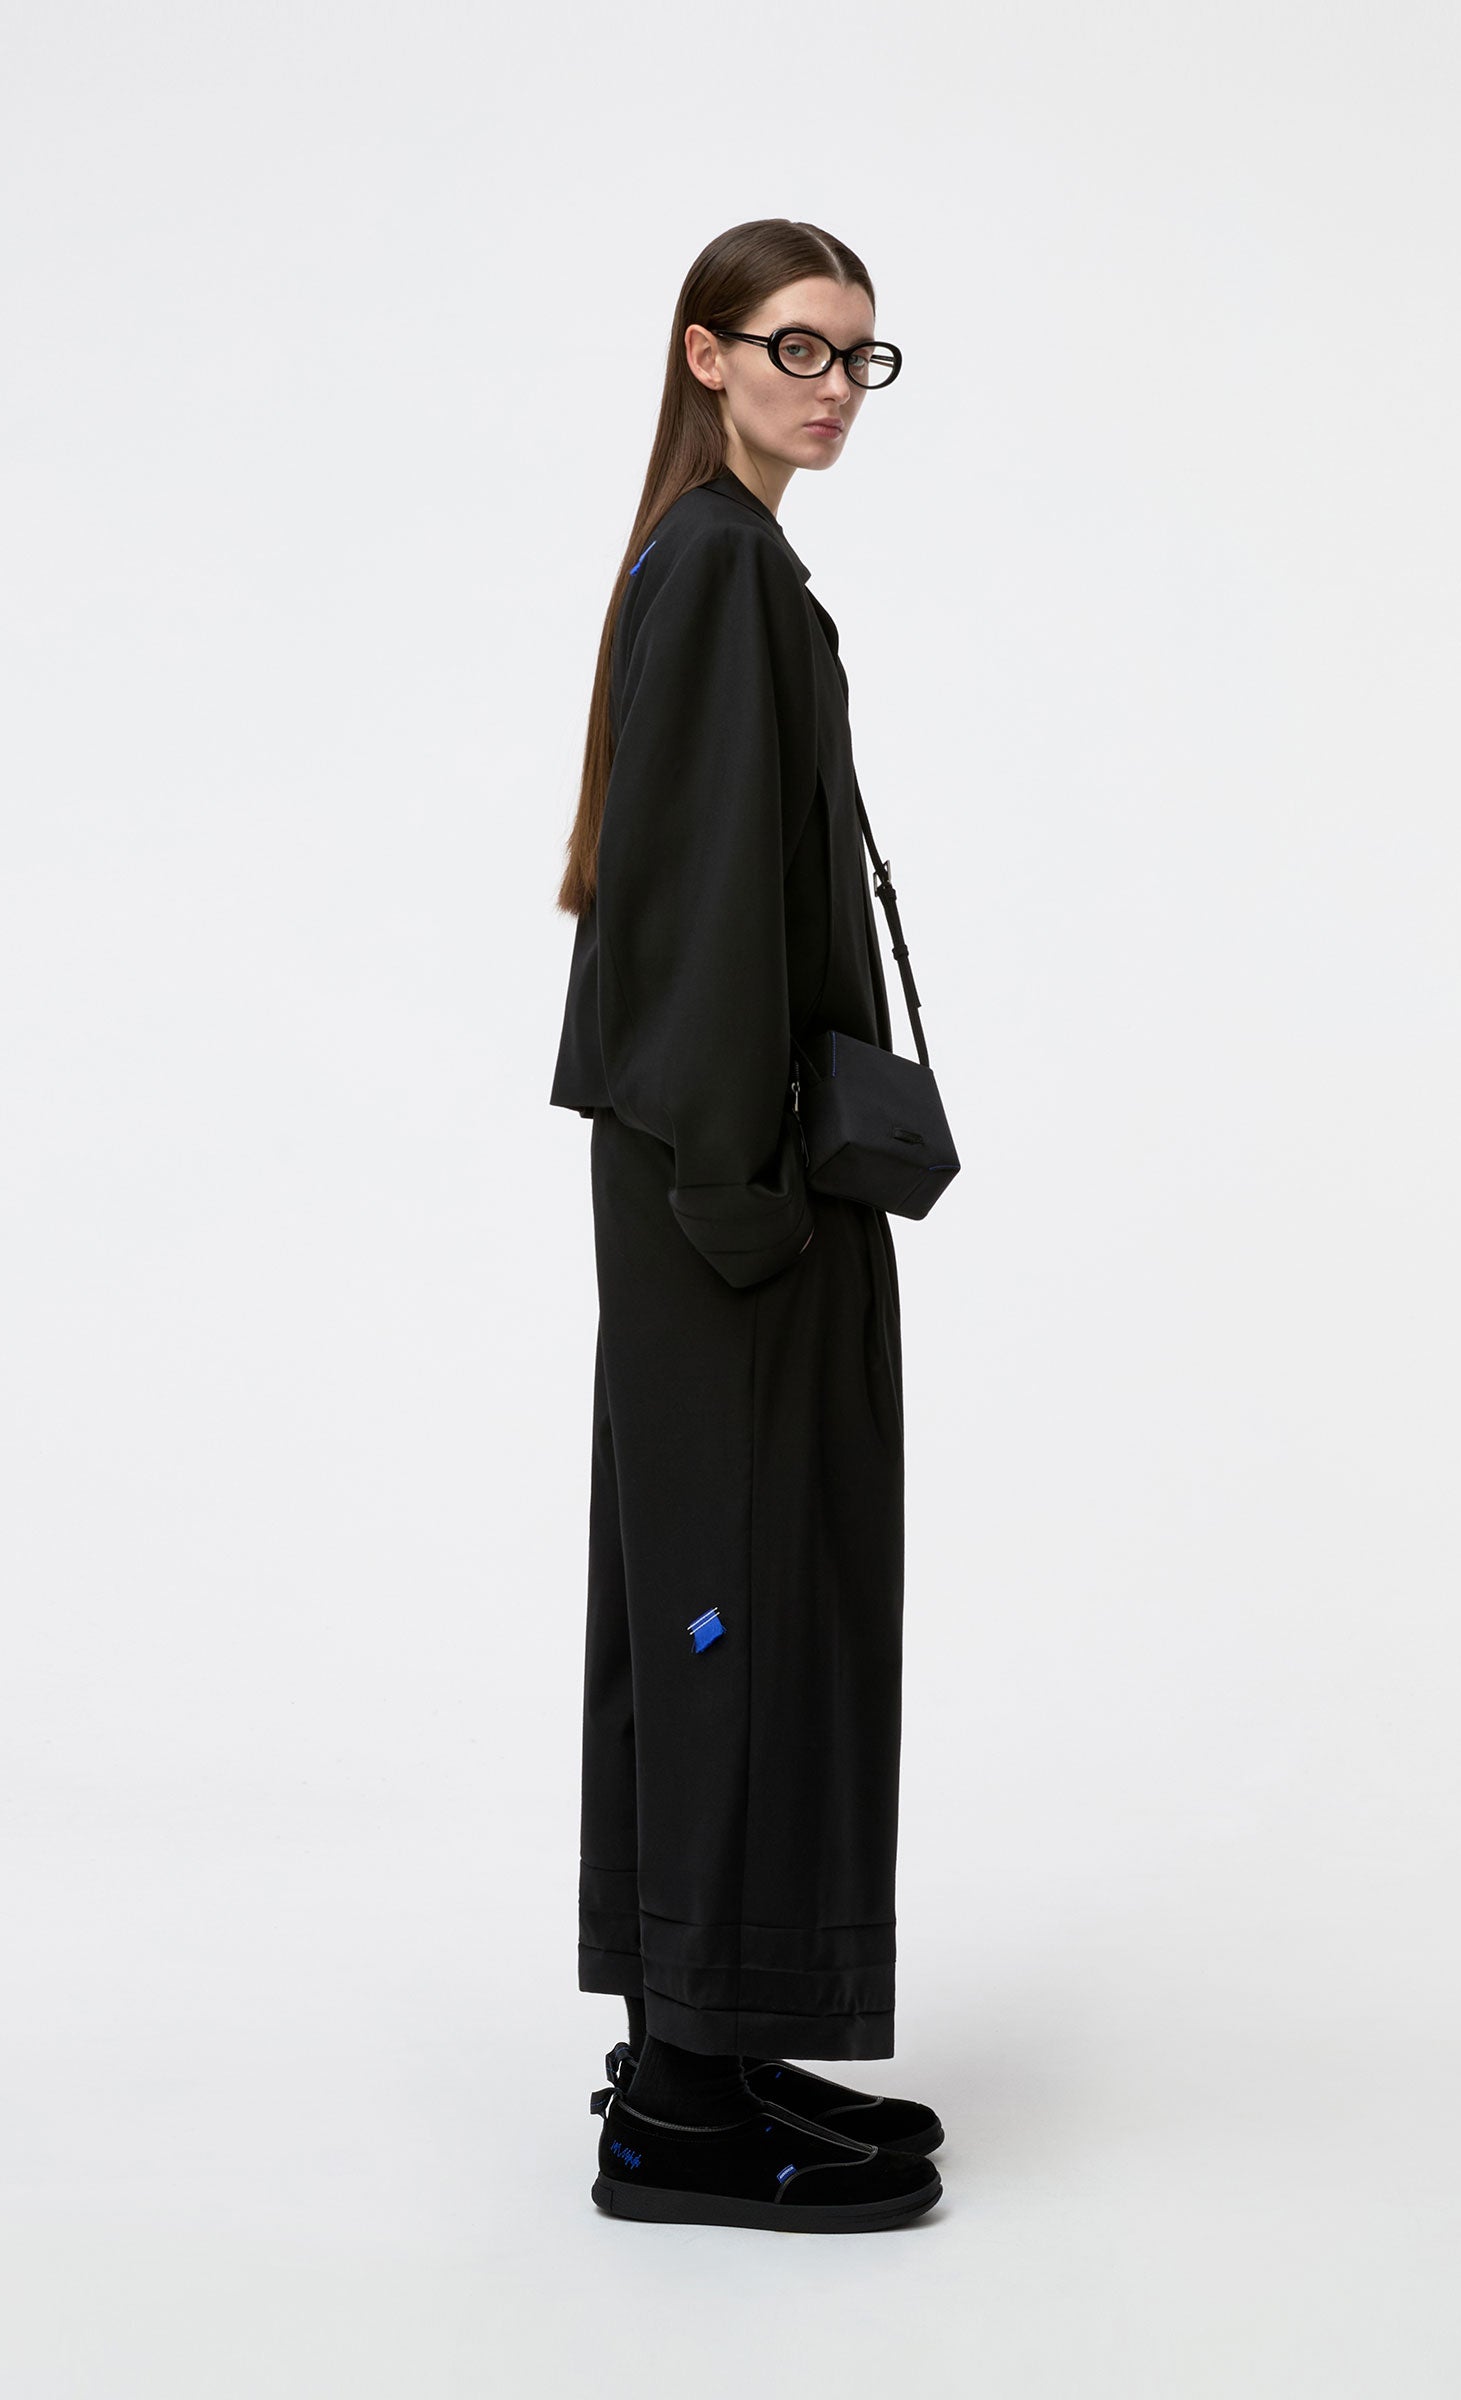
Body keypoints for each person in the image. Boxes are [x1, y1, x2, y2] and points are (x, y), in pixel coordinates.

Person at [548, 219, 944, 2233]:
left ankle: (705, 2034)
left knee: (740, 1591)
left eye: (859, 357)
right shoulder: (715, 564)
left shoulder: (720, 560)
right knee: (739, 1603)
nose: (831, 387)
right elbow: (693, 904)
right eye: (797, 346)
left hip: (736, 1168)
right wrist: (738, 1199)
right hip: (730, 1184)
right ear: (705, 354)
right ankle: (686, 2116)